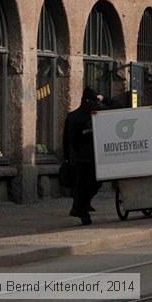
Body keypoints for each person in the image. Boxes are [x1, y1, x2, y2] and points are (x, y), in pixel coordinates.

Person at [62, 87, 102, 225]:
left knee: (83, 185)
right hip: (86, 158)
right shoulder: (91, 115)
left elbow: (66, 140)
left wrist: (67, 157)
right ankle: (81, 208)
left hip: (82, 158)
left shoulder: (79, 116)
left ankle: (80, 207)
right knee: (87, 185)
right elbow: (68, 139)